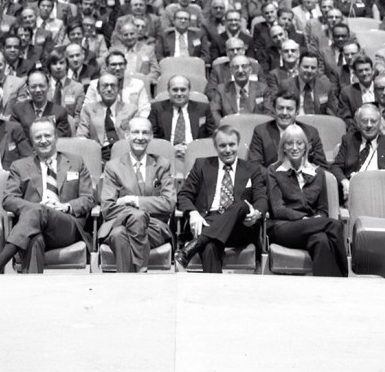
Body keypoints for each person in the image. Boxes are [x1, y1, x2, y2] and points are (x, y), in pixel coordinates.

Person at [0, 119, 94, 273]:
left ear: (56, 137)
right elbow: (8, 199)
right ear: (32, 141)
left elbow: (88, 198)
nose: (43, 141)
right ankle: (33, 291)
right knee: (34, 239)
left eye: (47, 136)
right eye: (38, 137)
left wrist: (66, 206)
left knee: (38, 213)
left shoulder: (76, 161)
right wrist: (38, 208)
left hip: (66, 227)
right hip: (32, 228)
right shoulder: (20, 166)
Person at [257, 123, 346, 276]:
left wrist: (316, 219)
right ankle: (345, 274)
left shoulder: (318, 173)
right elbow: (278, 209)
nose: (294, 147)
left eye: (299, 143)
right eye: (289, 143)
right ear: (283, 147)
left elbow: (323, 210)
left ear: (306, 147)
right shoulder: (273, 171)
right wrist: (305, 219)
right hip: (283, 228)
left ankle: (326, 290)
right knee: (334, 225)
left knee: (321, 240)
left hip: (313, 228)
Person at [177, 125, 264, 273]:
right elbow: (184, 195)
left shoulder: (252, 168)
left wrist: (256, 213)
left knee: (242, 205)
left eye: (231, 144)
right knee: (210, 246)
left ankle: (194, 246)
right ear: (216, 146)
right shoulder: (202, 165)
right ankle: (214, 294)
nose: (228, 150)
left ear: (238, 144)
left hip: (240, 227)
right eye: (222, 145)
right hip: (208, 221)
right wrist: (193, 213)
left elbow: (262, 198)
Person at [98, 116, 174, 272]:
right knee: (125, 227)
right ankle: (140, 271)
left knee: (120, 235)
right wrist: (136, 214)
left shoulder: (162, 164)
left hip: (153, 227)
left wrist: (134, 200)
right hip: (120, 223)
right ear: (127, 135)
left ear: (151, 136)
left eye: (145, 133)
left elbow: (168, 203)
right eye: (135, 132)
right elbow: (107, 207)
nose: (140, 137)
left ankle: (127, 287)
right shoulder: (113, 167)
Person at [148, 74, 214, 160]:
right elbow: (151, 135)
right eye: (175, 90)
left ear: (189, 90)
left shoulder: (203, 108)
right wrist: (169, 150)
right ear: (168, 91)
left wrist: (194, 149)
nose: (179, 93)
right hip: (166, 157)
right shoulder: (157, 108)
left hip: (197, 157)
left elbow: (212, 135)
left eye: (183, 90)